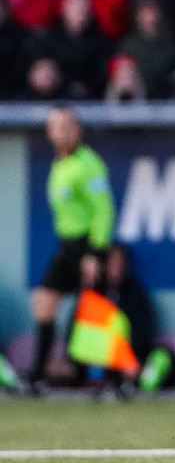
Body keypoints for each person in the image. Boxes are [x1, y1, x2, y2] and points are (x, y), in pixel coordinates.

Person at [28, 106, 115, 391]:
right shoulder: (59, 165)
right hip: (66, 246)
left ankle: (116, 380)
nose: (63, 132)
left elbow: (103, 210)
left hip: (86, 245)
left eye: (69, 126)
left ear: (78, 131)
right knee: (44, 302)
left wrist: (95, 253)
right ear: (49, 132)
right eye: (57, 126)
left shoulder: (88, 163)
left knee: (95, 313)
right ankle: (38, 377)